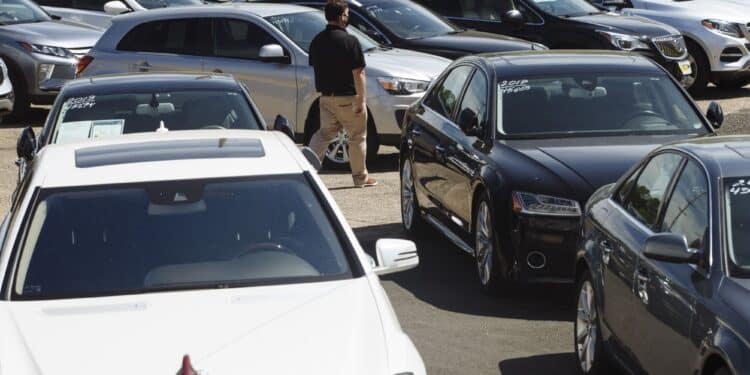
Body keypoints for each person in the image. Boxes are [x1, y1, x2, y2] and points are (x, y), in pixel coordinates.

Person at [308, 0, 377, 188]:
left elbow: (316, 67)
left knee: (323, 134)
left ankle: (306, 171)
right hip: (348, 97)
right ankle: (360, 178)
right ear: (341, 17)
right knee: (357, 137)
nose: (347, 17)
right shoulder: (350, 41)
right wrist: (362, 100)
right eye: (347, 14)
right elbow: (359, 73)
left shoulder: (317, 41)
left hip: (325, 98)